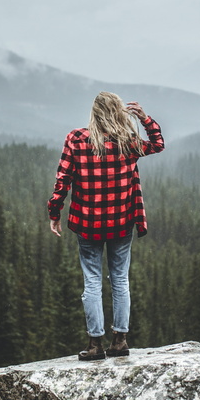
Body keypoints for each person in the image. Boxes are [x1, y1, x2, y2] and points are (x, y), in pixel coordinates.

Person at [48, 92, 165, 361]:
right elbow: (158, 144)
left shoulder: (77, 139)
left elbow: (62, 179)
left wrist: (55, 212)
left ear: (95, 112)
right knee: (120, 279)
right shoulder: (128, 142)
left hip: (88, 224)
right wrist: (146, 120)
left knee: (92, 282)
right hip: (121, 223)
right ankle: (120, 341)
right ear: (118, 112)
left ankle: (95, 345)